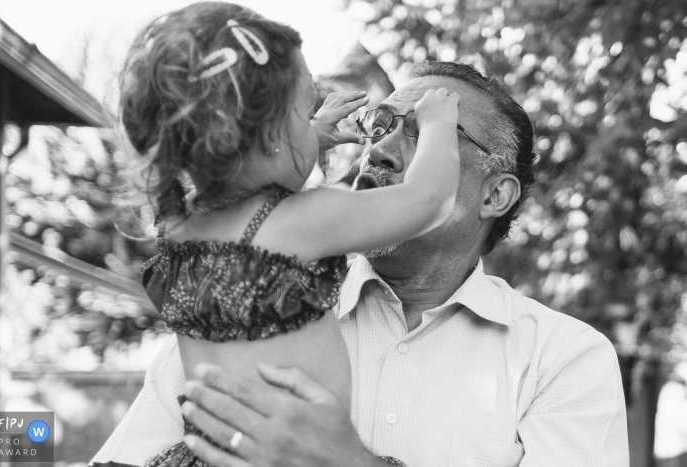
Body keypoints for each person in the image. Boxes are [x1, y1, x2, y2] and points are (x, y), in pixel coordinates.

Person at [92, 61, 630, 467]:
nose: (378, 150)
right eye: (380, 124)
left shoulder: (564, 359)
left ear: (496, 195)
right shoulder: (245, 305)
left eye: (421, 131)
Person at [106, 1, 464, 467]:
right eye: (304, 112)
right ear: (271, 136)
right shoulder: (300, 221)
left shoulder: (177, 226)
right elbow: (428, 200)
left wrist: (310, 135)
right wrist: (438, 124)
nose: (313, 124)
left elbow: (261, 175)